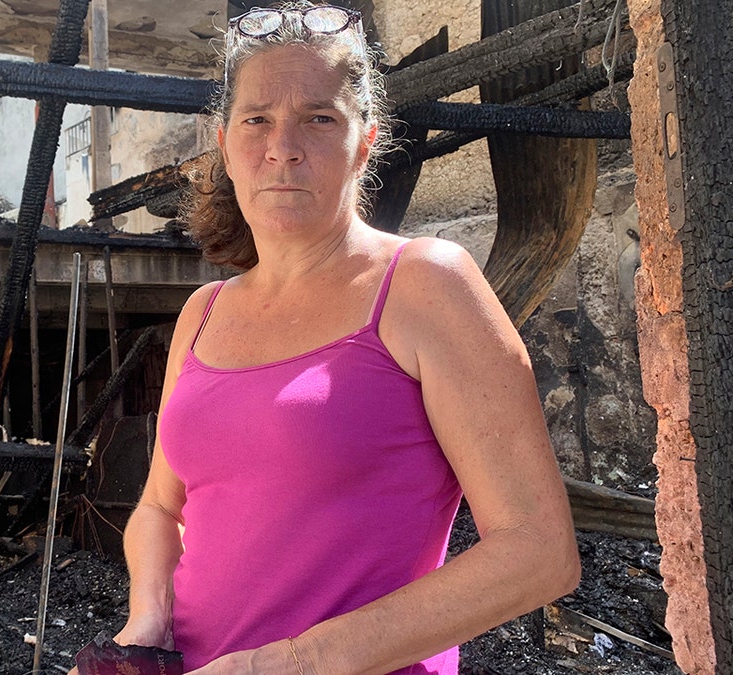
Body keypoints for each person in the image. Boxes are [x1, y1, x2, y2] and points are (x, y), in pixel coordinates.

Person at [106, 2, 581, 673]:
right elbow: (160, 505)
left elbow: (539, 550)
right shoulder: (202, 312)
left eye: (319, 118)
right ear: (225, 144)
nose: (283, 146)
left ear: (366, 139)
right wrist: (147, 618)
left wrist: (290, 661)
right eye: (257, 120)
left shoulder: (425, 283)